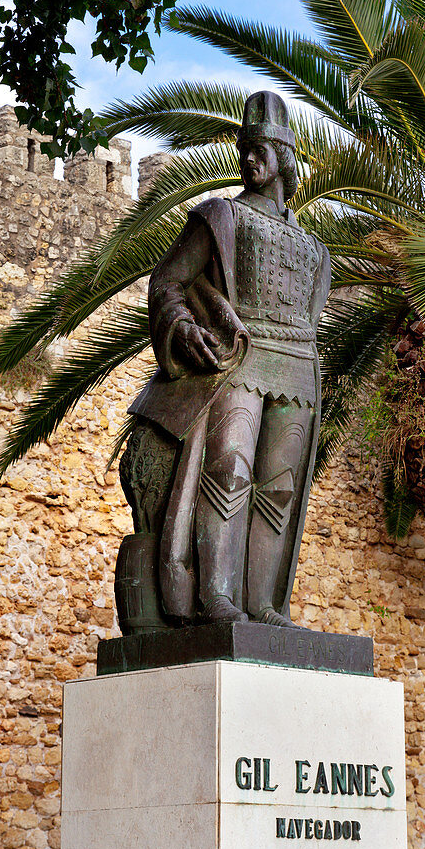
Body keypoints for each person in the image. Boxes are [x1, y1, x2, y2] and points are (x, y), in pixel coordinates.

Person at [116, 91, 331, 630]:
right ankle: (216, 598)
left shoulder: (314, 249)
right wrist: (184, 326)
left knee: (279, 485)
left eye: (260, 149)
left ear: (285, 156)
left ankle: (263, 604)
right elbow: (168, 281)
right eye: (245, 149)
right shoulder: (219, 216)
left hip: (297, 367)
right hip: (239, 361)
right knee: (227, 474)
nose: (249, 160)